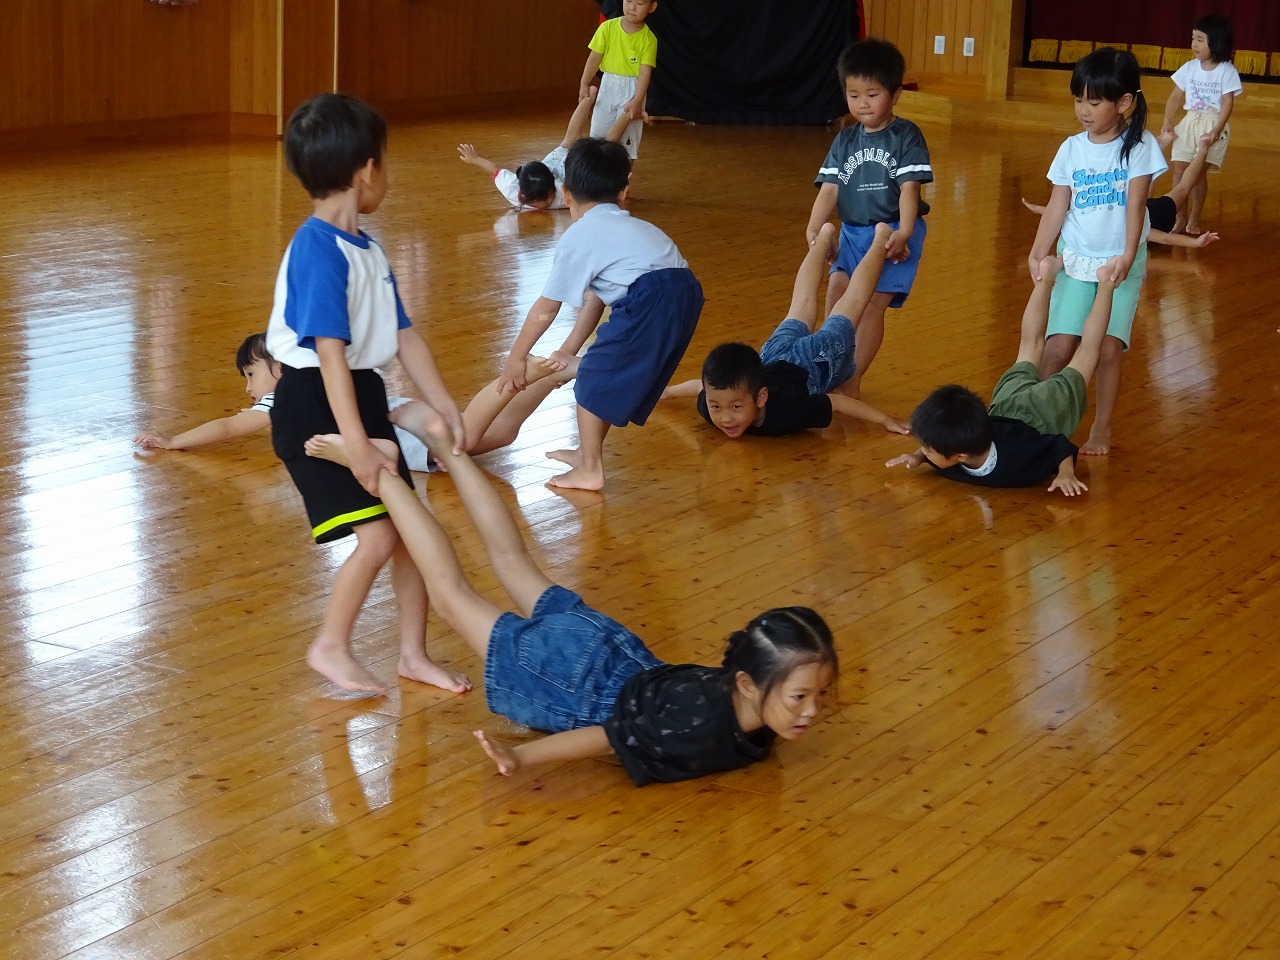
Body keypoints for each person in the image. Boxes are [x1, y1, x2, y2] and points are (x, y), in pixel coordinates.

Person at [301, 407, 838, 786]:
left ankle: (445, 447)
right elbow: (608, 734)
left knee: (512, 560)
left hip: (610, 647)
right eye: (800, 697)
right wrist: (524, 756)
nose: (812, 711)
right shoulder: (699, 723)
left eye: (819, 695)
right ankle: (377, 472)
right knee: (450, 591)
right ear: (746, 683)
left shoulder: (742, 693)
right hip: (570, 678)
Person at [264, 93, 468, 696]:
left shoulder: (369, 250)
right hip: (313, 403)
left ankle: (413, 655)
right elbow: (328, 354)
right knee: (378, 536)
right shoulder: (317, 248)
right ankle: (330, 644)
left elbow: (404, 334)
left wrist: (444, 402)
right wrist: (355, 444)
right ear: (368, 170)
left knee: (408, 533)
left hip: (359, 393)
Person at [497, 137, 704, 491]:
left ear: (565, 193)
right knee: (607, 374)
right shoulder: (634, 228)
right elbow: (595, 299)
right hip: (686, 291)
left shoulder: (580, 236)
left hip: (650, 297)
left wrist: (516, 358)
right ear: (623, 192)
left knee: (596, 376)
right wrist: (567, 350)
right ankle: (586, 454)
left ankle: (590, 468)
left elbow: (546, 309)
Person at [132, 335, 571, 472]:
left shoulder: (284, 397)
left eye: (251, 374)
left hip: (394, 430)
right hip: (398, 415)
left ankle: (524, 375)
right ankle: (553, 375)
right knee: (500, 434)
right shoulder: (316, 377)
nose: (248, 388)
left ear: (279, 368)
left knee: (467, 434)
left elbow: (229, 427)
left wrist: (174, 441)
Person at [1028, 47, 1167, 457]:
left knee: (1107, 349)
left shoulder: (1140, 146)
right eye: (1078, 100)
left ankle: (1101, 428)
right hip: (1075, 258)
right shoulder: (1071, 148)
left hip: (1119, 263)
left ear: (1124, 102)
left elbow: (1136, 205)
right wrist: (1038, 250)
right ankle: (1032, 419)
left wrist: (1127, 255)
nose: (1083, 110)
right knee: (1058, 345)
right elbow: (1058, 204)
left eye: (1094, 102)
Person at [887, 257, 1114, 495]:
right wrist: (917, 457)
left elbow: (1059, 445)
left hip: (1043, 410)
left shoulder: (1016, 455)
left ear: (960, 456)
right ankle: (1045, 279)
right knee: (1029, 345)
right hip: (1006, 403)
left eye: (926, 449)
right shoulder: (955, 446)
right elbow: (936, 443)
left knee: (1087, 353)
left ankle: (1106, 284)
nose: (923, 451)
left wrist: (1065, 472)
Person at [662, 223, 910, 437]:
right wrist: (669, 392)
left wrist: (885, 420)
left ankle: (880, 239)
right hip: (774, 353)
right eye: (715, 406)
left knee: (851, 303)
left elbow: (838, 403)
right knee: (801, 302)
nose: (725, 418)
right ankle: (824, 237)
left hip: (815, 358)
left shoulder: (787, 409)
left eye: (736, 407)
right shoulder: (712, 403)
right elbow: (700, 386)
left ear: (761, 398)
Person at [805, 37, 933, 399]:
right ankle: (831, 369)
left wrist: (904, 231)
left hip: (892, 234)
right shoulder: (845, 141)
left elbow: (910, 188)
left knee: (874, 303)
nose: (862, 102)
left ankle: (852, 380)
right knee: (836, 293)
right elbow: (829, 189)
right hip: (851, 233)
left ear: (895, 94)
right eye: (854, 94)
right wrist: (815, 228)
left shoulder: (906, 135)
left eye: (872, 94)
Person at [1021, 134, 1220, 249]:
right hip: (1139, 208)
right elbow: (1069, 215)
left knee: (1182, 188)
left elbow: (1165, 238)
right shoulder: (1121, 223)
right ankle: (1158, 151)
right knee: (1153, 188)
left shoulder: (1130, 227)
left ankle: (1199, 150)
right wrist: (1040, 209)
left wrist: (1195, 243)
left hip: (1160, 213)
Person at [457, 87, 637, 211]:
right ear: (528, 198)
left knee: (596, 149)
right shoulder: (514, 190)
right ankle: (626, 113)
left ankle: (590, 99)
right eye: (549, 199)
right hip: (553, 164)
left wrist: (475, 159)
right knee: (580, 141)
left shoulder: (563, 191)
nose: (551, 200)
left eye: (552, 196)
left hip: (564, 168)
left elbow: (495, 169)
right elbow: (496, 170)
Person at [1160, 14, 1241, 236]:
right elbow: (1175, 96)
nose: (1194, 44)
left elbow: (1227, 103)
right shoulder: (1189, 67)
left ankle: (1195, 216)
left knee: (1196, 174)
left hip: (1212, 123)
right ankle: (1179, 217)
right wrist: (1168, 121)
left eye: (1200, 39)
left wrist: (1216, 130)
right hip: (1190, 122)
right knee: (1179, 169)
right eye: (1193, 38)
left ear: (1216, 42)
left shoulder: (1227, 71)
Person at [579, 0, 658, 161]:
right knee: (598, 134)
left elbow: (645, 72)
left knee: (627, 141)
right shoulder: (607, 27)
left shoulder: (649, 39)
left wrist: (637, 101)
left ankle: (623, 175)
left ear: (652, 7)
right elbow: (594, 57)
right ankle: (597, 173)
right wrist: (584, 83)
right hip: (608, 85)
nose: (632, 7)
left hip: (633, 89)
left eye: (640, 3)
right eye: (628, 1)